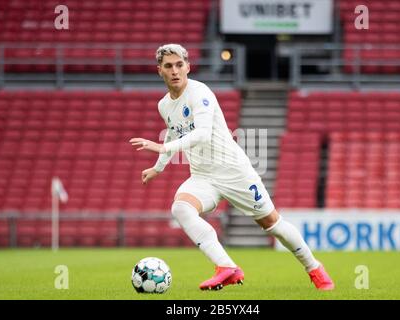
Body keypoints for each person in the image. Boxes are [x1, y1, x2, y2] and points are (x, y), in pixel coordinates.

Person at [129, 43, 334, 291]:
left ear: (188, 67)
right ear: (159, 70)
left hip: (234, 171)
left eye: (180, 65)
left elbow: (202, 134)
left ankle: (314, 268)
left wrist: (163, 149)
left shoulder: (199, 93)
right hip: (203, 176)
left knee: (273, 225)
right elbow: (173, 134)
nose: (175, 71)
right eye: (169, 66)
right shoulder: (164, 105)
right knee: (181, 208)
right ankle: (226, 267)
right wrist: (158, 167)